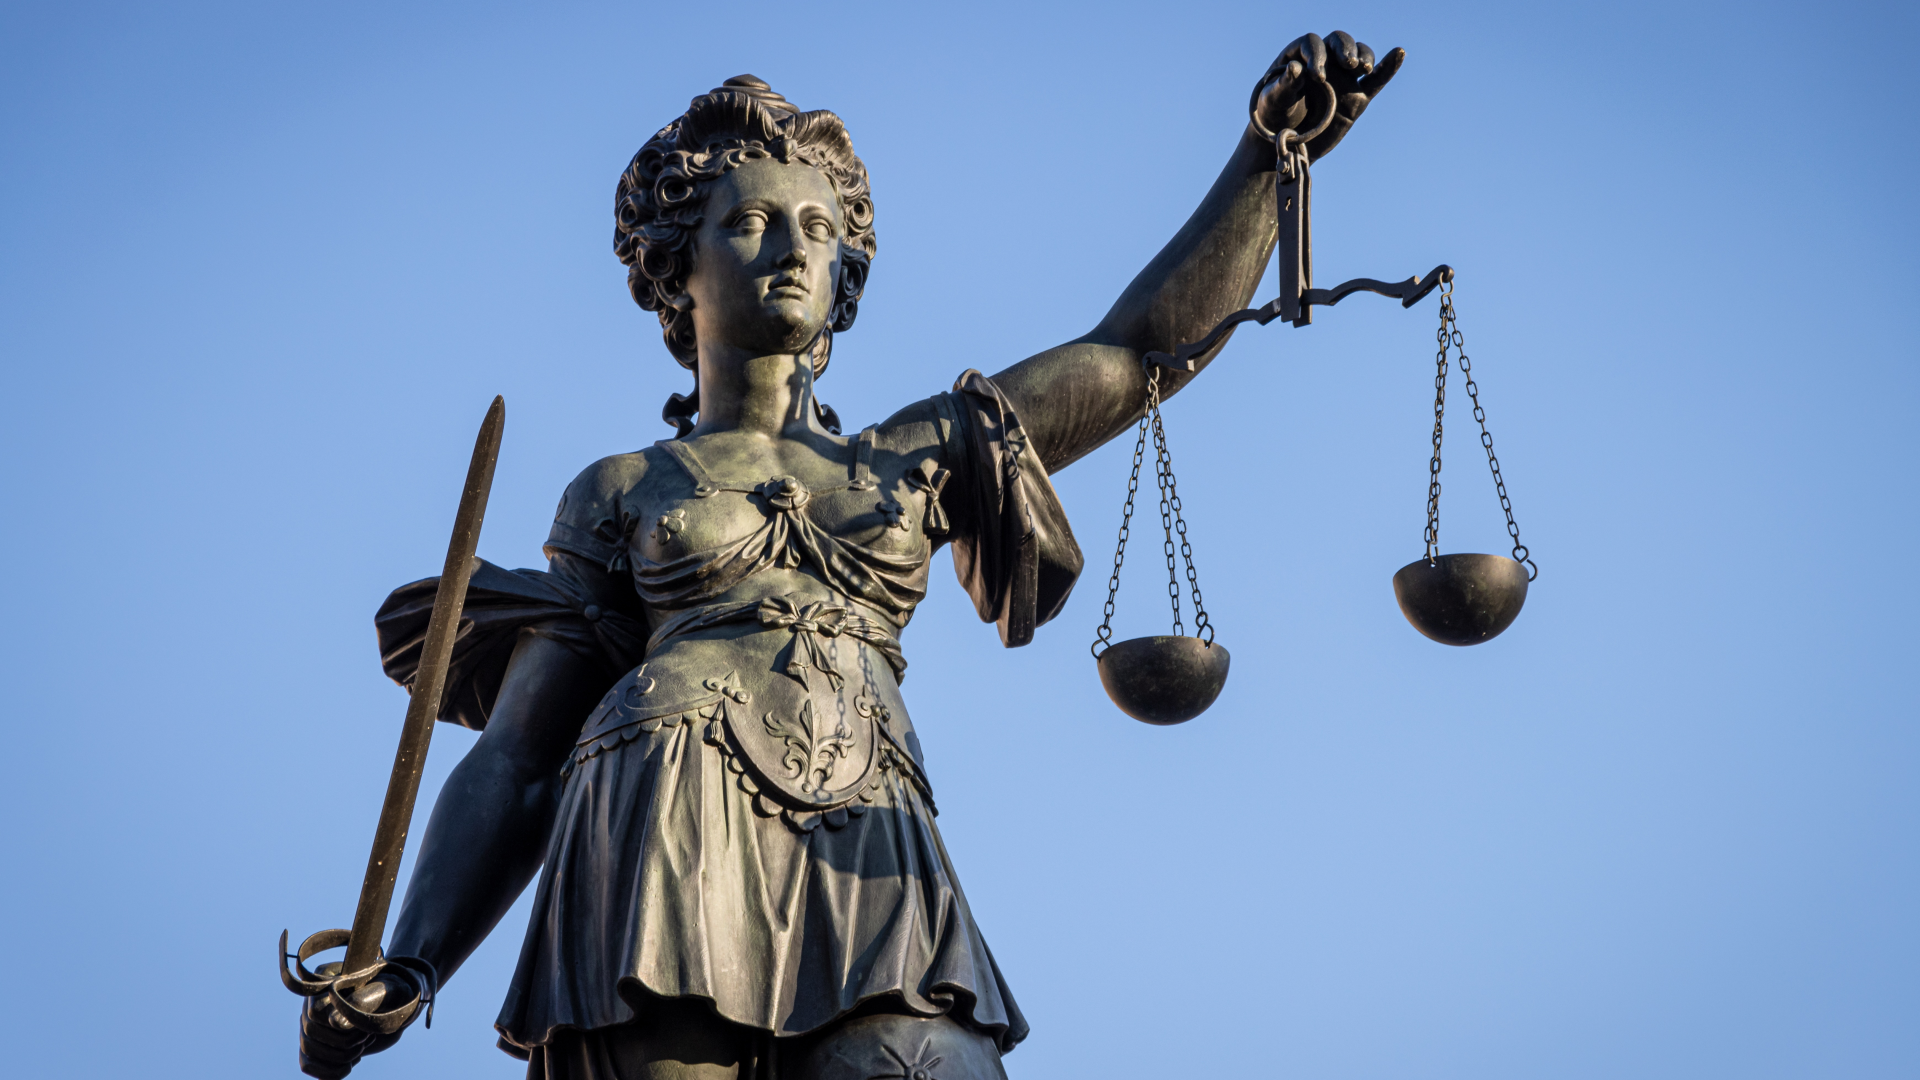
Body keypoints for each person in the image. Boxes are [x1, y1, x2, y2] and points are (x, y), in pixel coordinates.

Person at [298, 32, 1401, 1080]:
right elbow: (519, 758)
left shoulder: (916, 455)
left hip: (871, 829)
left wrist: (1263, 159)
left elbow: (1133, 353)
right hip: (657, 832)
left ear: (849, 275)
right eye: (752, 224)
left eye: (818, 228)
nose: (791, 249)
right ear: (679, 267)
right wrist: (415, 956)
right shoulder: (621, 489)